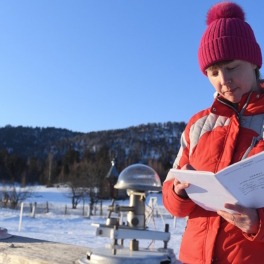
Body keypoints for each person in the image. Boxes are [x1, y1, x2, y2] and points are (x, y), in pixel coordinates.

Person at [162, 2, 264, 264]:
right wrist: (179, 191)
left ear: (254, 62)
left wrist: (258, 223)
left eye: (232, 68)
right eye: (213, 72)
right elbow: (171, 202)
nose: (223, 80)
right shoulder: (197, 127)